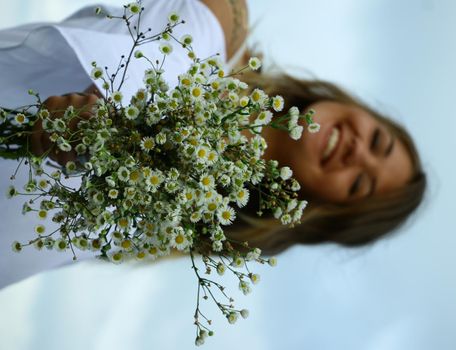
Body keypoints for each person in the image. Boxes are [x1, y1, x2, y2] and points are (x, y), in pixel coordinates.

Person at [0, 0, 426, 287]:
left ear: (323, 211)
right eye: (377, 140)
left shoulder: (170, 226)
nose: (357, 152)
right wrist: (103, 118)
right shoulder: (228, 28)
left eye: (359, 184)